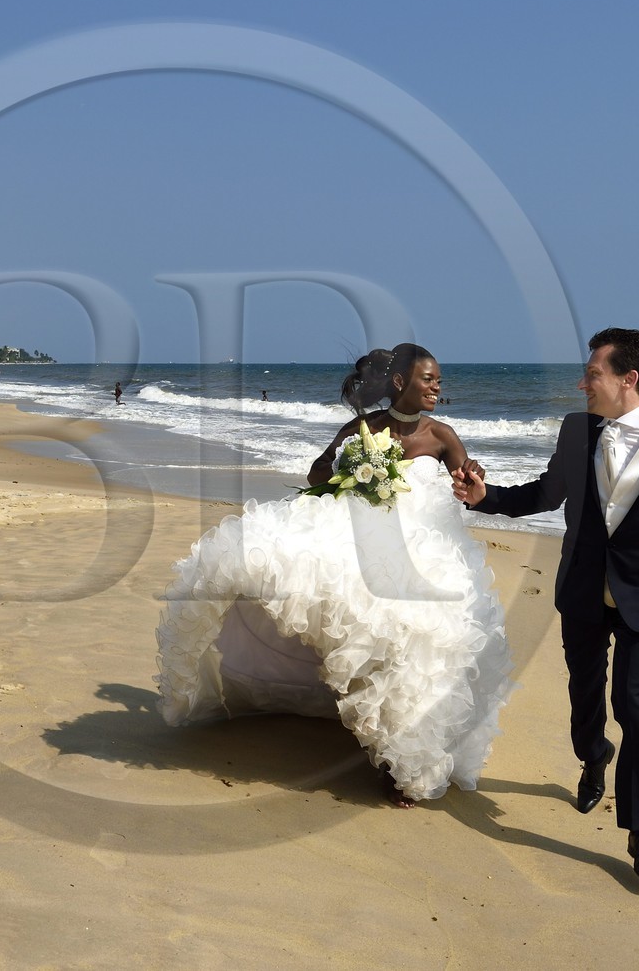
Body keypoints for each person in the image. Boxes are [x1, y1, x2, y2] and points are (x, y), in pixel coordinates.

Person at [452, 327, 639, 884]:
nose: (582, 383)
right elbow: (545, 494)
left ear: (627, 379)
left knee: (637, 703)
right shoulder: (576, 430)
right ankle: (593, 756)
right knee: (584, 692)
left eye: (592, 373)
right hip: (584, 587)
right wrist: (484, 498)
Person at [157, 343, 512, 807]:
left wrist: (474, 476)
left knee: (419, 639)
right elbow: (316, 472)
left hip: (426, 547)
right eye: (429, 379)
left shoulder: (442, 434)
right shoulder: (364, 428)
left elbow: (467, 481)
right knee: (339, 608)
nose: (437, 387)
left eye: (440, 380)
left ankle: (399, 758)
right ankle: (377, 740)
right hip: (362, 536)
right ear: (401, 382)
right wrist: (356, 468)